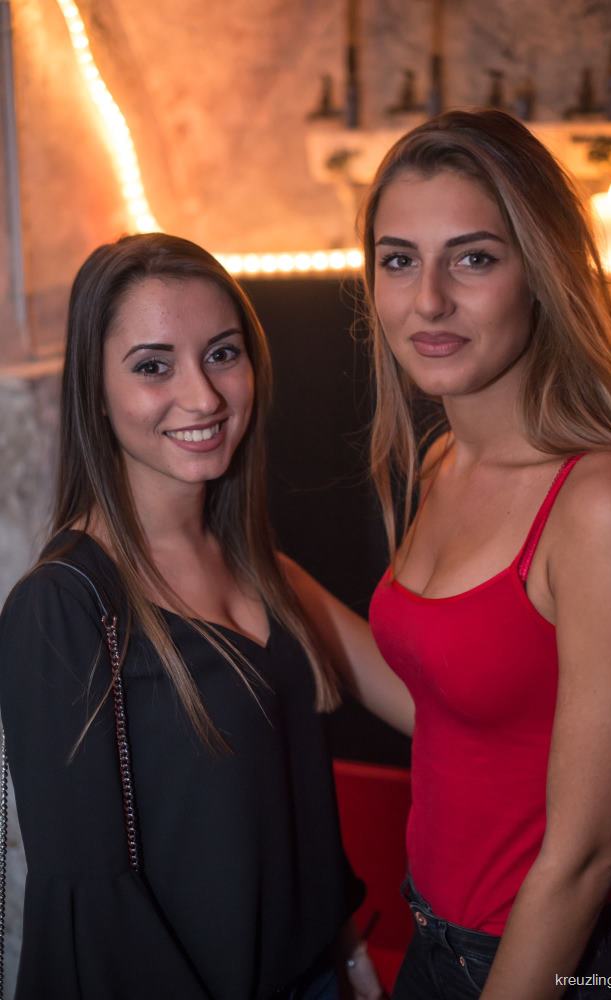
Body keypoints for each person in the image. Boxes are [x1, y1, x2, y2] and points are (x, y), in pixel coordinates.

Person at [0, 233, 409, 999]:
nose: (204, 396)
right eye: (153, 366)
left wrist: (346, 945)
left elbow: (421, 709)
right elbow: (95, 916)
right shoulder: (62, 611)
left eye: (222, 354)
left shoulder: (263, 568)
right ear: (94, 391)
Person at [357, 110, 611, 998]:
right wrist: (257, 574)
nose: (428, 300)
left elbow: (586, 854)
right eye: (398, 260)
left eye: (473, 259)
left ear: (541, 272)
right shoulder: (441, 462)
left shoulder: (604, 500)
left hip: (554, 962)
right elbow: (448, 711)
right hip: (432, 940)